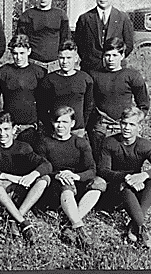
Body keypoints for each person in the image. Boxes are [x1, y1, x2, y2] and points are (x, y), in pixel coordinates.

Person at [0, 111, 52, 244]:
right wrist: (8, 177)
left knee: (44, 178)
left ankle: (15, 217)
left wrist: (32, 175)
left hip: (19, 191)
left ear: (14, 129)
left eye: (6, 129)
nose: (2, 134)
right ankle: (23, 223)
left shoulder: (23, 147)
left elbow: (46, 164)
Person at [97, 107, 151, 248]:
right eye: (124, 123)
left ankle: (134, 223)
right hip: (116, 187)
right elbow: (103, 170)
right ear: (120, 124)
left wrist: (143, 175)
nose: (127, 128)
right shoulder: (109, 142)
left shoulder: (144, 145)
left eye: (132, 124)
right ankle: (141, 229)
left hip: (136, 185)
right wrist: (126, 177)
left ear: (139, 127)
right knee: (125, 186)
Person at [36, 106, 105, 248]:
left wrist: (76, 176)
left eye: (65, 122)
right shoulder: (44, 142)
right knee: (66, 186)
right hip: (56, 186)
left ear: (72, 124)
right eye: (57, 122)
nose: (60, 126)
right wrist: (58, 175)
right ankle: (79, 229)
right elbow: (42, 167)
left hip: (75, 181)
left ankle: (69, 225)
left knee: (99, 184)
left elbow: (91, 170)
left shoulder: (80, 142)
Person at [87, 37, 150, 159]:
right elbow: (89, 103)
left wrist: (133, 121)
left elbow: (143, 104)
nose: (110, 59)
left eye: (115, 55)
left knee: (124, 162)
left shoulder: (132, 76)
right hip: (101, 128)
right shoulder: (94, 75)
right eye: (107, 55)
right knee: (101, 163)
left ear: (122, 56)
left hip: (123, 127)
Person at [0, 34, 46, 147]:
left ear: (29, 51)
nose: (18, 57)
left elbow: (43, 102)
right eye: (15, 53)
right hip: (9, 126)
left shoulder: (39, 72)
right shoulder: (3, 72)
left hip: (30, 126)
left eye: (22, 53)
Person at [38, 40, 94, 139]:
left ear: (76, 58)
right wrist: (50, 126)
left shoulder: (85, 79)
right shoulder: (49, 80)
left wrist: (82, 125)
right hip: (56, 131)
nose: (65, 62)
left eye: (69, 58)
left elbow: (88, 106)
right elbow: (42, 108)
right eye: (61, 58)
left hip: (77, 131)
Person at [74, 0, 134, 72]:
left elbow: (128, 44)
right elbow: (79, 44)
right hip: (91, 69)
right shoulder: (84, 18)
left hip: (115, 70)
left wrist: (115, 60)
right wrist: (89, 59)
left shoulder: (123, 17)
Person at [17, 0, 71, 73]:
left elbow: (66, 40)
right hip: (33, 63)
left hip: (55, 65)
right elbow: (21, 42)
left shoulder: (60, 15)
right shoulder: (27, 15)